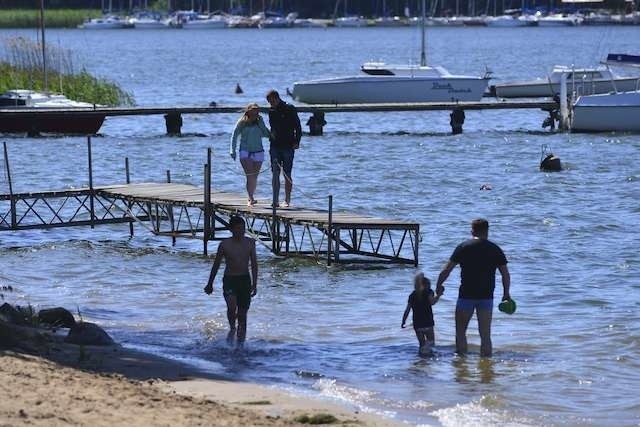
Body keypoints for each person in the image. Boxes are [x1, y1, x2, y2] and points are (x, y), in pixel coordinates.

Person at [435, 218, 511, 357]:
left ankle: (461, 363)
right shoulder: (495, 249)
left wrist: (439, 285)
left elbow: (446, 270)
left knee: (460, 331)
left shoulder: (463, 247)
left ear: (472, 231)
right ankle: (486, 366)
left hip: (466, 296)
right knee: (485, 335)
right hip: (486, 297)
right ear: (487, 231)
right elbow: (505, 274)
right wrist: (506, 294)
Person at [204, 216, 257, 348]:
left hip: (244, 280)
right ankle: (232, 327)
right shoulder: (224, 244)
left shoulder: (250, 243)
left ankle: (240, 346)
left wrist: (255, 283)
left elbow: (254, 264)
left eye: (243, 228)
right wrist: (210, 283)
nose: (241, 231)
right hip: (230, 279)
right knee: (232, 307)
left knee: (242, 314)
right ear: (231, 230)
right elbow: (216, 265)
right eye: (238, 229)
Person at [230, 103, 272, 206]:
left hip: (259, 151)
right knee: (250, 175)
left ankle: (251, 196)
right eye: (253, 110)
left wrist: (262, 123)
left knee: (255, 176)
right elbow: (234, 136)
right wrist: (232, 150)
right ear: (248, 111)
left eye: (257, 110)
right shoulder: (241, 122)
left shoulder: (259, 122)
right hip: (245, 152)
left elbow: (267, 135)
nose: (256, 112)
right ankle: (250, 198)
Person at [265, 89, 301, 208]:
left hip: (288, 146)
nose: (271, 104)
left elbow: (298, 127)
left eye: (272, 101)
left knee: (287, 173)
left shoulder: (289, 108)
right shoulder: (271, 111)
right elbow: (272, 128)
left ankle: (287, 200)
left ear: (277, 98)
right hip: (274, 146)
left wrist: (297, 141)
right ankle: (275, 200)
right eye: (269, 102)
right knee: (275, 173)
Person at [402, 272, 440, 354]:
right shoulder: (429, 292)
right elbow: (432, 302)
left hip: (417, 324)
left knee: (421, 344)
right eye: (429, 284)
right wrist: (439, 295)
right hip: (428, 322)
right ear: (426, 285)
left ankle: (421, 359)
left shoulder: (412, 295)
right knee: (431, 343)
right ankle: (429, 359)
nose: (430, 286)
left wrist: (403, 321)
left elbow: (407, 310)